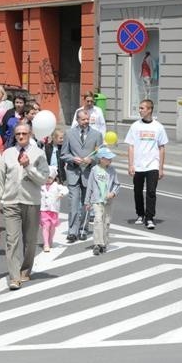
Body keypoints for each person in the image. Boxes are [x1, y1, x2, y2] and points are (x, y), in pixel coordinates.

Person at [0, 121, 50, 290]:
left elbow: (43, 179)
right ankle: (14, 277)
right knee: (12, 240)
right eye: (18, 134)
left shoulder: (38, 154)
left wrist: (28, 166)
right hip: (11, 202)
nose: (21, 136)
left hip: (31, 202)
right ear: (14, 136)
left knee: (30, 241)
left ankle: (25, 269)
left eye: (24, 133)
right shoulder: (8, 153)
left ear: (29, 135)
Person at [60, 109, 103, 242]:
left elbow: (100, 154)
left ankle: (84, 229)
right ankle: (72, 231)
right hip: (73, 172)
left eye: (87, 119)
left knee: (86, 203)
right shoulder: (69, 133)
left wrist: (92, 160)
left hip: (88, 174)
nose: (86, 121)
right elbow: (63, 154)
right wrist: (73, 159)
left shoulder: (97, 134)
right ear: (77, 120)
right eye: (83, 119)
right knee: (73, 203)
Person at [125, 99, 168, 230]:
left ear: (150, 110)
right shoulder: (135, 126)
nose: (140, 110)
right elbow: (131, 146)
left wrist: (160, 168)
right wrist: (130, 164)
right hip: (138, 165)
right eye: (139, 108)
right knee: (137, 191)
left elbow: (162, 147)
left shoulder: (158, 127)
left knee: (151, 192)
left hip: (152, 165)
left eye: (142, 108)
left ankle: (149, 217)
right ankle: (140, 214)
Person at [85, 148, 120, 256]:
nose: (111, 160)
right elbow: (90, 186)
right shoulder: (94, 170)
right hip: (97, 200)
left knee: (106, 222)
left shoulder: (112, 170)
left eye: (111, 158)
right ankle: (97, 244)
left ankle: (104, 243)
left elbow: (117, 184)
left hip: (108, 200)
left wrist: (113, 193)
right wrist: (87, 201)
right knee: (98, 220)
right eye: (108, 158)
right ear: (101, 159)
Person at [39, 168, 68, 252]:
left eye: (50, 178)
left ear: (54, 178)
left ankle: (50, 239)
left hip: (53, 210)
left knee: (52, 227)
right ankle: (46, 243)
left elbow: (65, 189)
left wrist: (61, 194)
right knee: (45, 226)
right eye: (46, 177)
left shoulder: (56, 186)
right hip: (44, 210)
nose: (48, 180)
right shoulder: (41, 186)